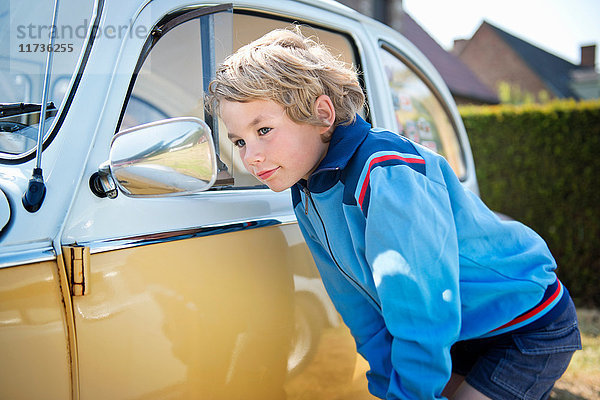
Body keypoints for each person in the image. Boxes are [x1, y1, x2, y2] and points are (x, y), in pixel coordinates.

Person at [207, 26, 581, 400]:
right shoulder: (305, 191)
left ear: (322, 114)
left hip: (523, 322)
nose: (250, 155)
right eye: (239, 140)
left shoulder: (385, 173)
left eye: (264, 130)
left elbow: (423, 307)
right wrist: (388, 388)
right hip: (461, 328)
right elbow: (358, 307)